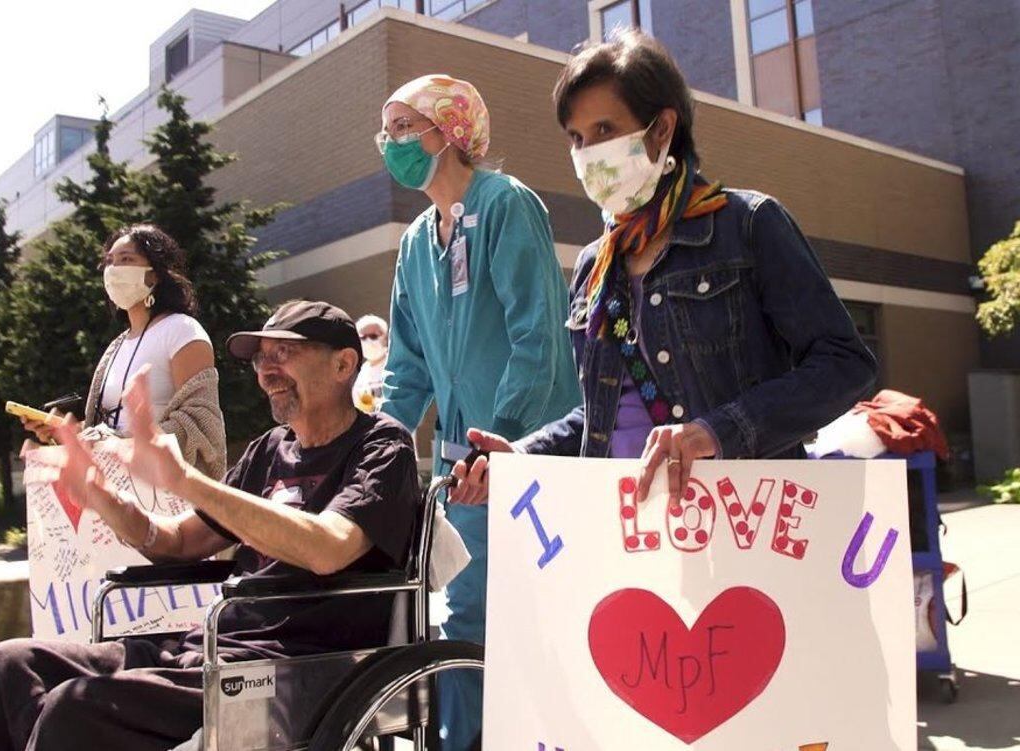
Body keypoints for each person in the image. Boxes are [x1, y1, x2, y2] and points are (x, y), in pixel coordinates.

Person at [0, 300, 421, 751]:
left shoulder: (381, 446)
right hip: (211, 648)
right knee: (11, 665)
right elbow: (178, 541)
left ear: (343, 365)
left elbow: (330, 548)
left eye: (285, 352)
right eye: (260, 358)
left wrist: (186, 480)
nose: (266, 369)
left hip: (294, 665)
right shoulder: (266, 451)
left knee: (72, 711)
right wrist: (103, 499)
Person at [450, 30, 877, 511]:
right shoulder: (596, 264)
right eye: (577, 137)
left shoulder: (748, 225)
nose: (589, 153)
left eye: (605, 131)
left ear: (662, 129)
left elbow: (846, 364)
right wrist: (523, 455)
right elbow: (601, 414)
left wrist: (715, 432)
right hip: (627, 532)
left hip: (743, 524)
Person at [376, 74, 580, 749]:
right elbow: (405, 369)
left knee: (521, 616)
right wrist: (376, 448)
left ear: (452, 130)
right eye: (388, 129)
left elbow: (537, 337)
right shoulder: (414, 244)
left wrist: (502, 440)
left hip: (523, 456)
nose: (391, 141)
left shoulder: (505, 205)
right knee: (463, 617)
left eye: (405, 126)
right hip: (460, 474)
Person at [20, 224, 226, 478]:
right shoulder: (116, 347)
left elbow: (200, 422)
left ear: (156, 274)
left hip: (166, 494)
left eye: (126, 259)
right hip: (117, 491)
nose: (113, 270)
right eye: (109, 262)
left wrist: (122, 446)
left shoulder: (182, 330)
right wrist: (67, 432)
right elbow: (111, 428)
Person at [353, 313, 389, 411]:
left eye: (373, 336)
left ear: (385, 338)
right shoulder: (359, 373)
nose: (368, 341)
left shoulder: (394, 366)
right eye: (363, 338)